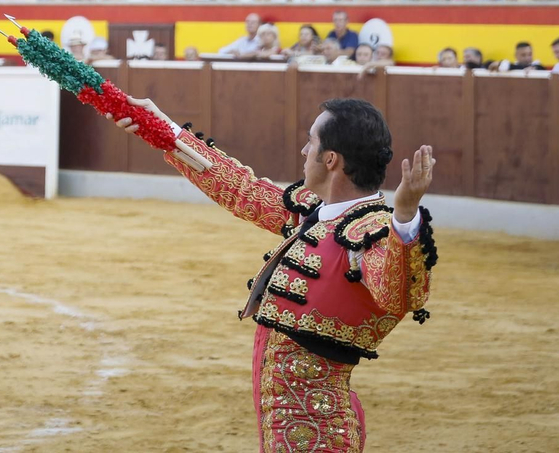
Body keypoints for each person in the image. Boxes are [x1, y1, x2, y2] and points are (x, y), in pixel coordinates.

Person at [103, 94, 435, 452]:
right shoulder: (317, 213)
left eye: (310, 141)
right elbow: (238, 188)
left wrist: (404, 218)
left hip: (321, 432)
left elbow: (398, 294)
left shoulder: (370, 232)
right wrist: (160, 129)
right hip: (288, 425)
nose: (303, 151)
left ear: (331, 159)